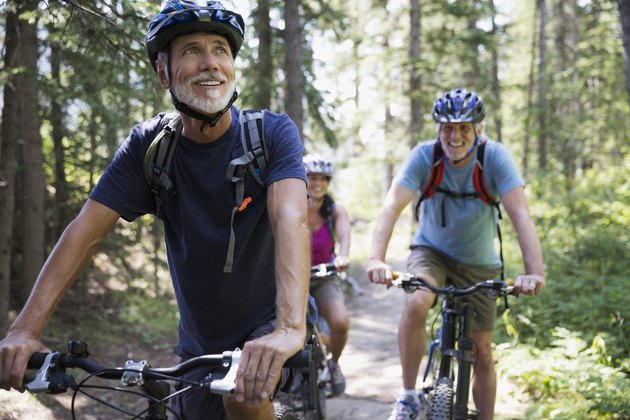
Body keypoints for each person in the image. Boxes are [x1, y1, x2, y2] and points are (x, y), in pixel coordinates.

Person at [0, 1, 310, 419]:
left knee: (243, 397)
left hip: (270, 323)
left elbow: (290, 217)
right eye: (191, 50)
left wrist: (289, 330)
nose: (210, 63)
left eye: (220, 49)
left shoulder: (271, 134)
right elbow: (86, 230)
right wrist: (24, 330)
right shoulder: (150, 147)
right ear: (163, 72)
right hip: (198, 346)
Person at [366, 88, 545, 420]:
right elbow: (392, 206)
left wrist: (535, 272)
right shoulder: (424, 156)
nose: (455, 135)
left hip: (480, 263)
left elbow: (520, 215)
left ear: (479, 129)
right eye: (447, 128)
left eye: (464, 127)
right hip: (430, 252)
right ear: (438, 130)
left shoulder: (494, 158)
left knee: (483, 352)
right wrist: (377, 258)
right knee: (417, 301)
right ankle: (408, 397)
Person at [304, 155, 351, 396]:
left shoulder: (334, 211)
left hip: (324, 276)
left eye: (322, 179)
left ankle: (333, 364)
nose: (317, 183)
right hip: (293, 278)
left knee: (340, 323)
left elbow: (344, 237)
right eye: (312, 177)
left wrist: (342, 256)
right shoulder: (292, 204)